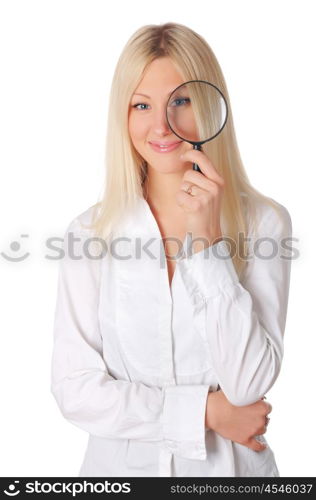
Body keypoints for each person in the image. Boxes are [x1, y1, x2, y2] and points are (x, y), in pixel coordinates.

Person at [50, 22, 292, 477]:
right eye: (142, 104)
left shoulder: (264, 222)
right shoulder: (89, 232)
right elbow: (75, 390)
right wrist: (206, 413)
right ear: (123, 114)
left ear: (209, 104)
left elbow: (248, 383)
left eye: (180, 101)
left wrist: (207, 246)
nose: (161, 126)